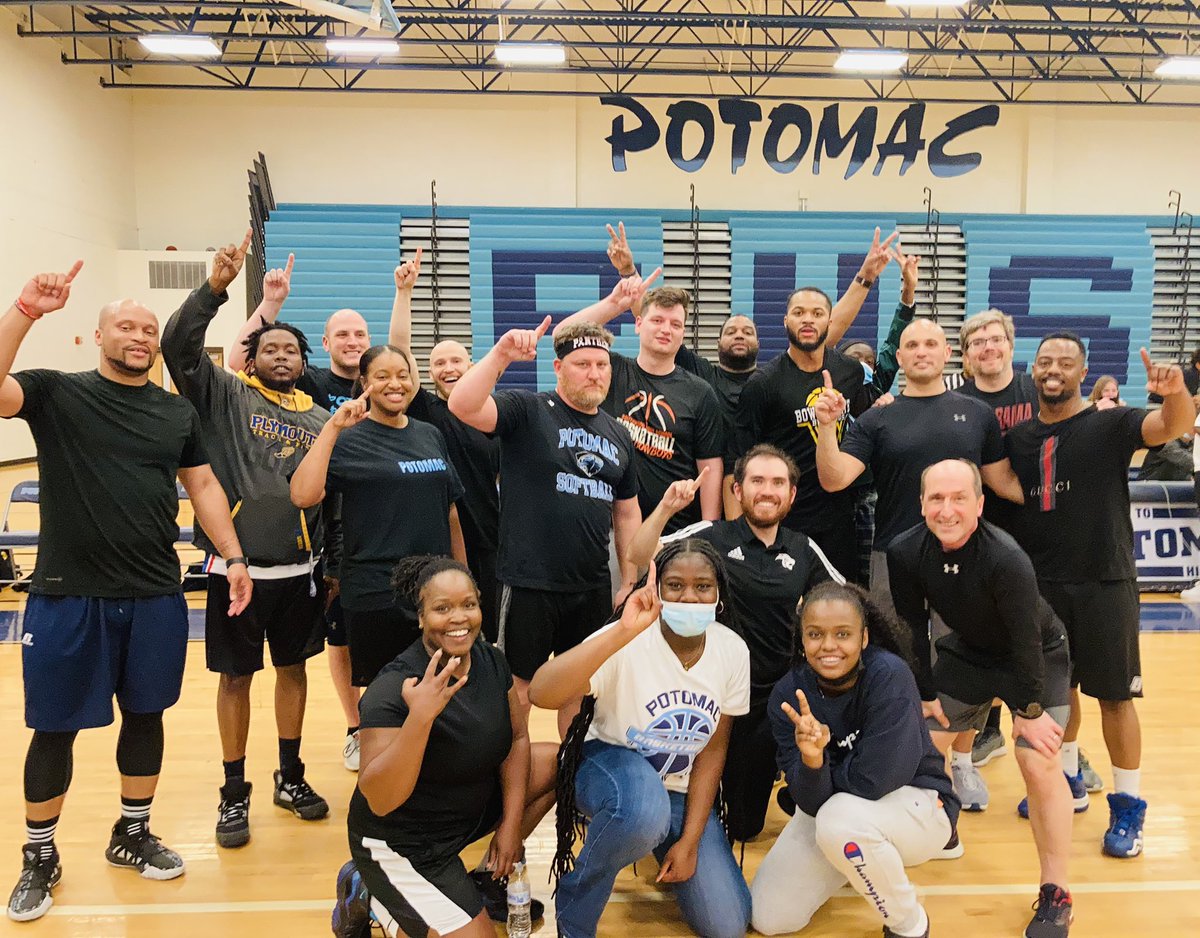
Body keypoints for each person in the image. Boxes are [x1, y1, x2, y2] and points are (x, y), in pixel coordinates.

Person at [0, 262, 253, 921]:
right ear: (98, 335)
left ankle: (132, 833)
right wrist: (24, 310)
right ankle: (39, 855)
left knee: (147, 718)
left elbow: (201, 487)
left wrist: (233, 556)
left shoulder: (176, 412)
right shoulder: (57, 393)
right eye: (126, 326)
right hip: (67, 595)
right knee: (54, 729)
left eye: (148, 328)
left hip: (153, 596)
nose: (140, 336)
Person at [161, 231, 332, 849]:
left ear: (301, 360)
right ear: (250, 355)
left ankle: (291, 775)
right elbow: (177, 347)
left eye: (291, 349)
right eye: (270, 347)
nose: (281, 355)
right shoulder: (225, 395)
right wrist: (215, 288)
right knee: (235, 680)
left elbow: (330, 497)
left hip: (299, 571)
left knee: (293, 671)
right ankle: (234, 793)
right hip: (236, 570)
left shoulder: (318, 418)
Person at [1004, 335, 1196, 858]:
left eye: (1066, 363)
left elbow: (1172, 427)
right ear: (1032, 369)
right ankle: (1066, 780)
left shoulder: (1110, 423)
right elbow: (996, 482)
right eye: (1045, 362)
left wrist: (1175, 393)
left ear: (1083, 373)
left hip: (1105, 582)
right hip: (1042, 587)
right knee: (1055, 695)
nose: (1054, 370)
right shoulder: (1018, 438)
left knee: (1115, 697)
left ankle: (1129, 806)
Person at [888, 459, 1077, 937]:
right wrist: (926, 692)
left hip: (1035, 656)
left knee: (1037, 758)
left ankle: (1056, 892)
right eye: (936, 498)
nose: (946, 509)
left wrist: (1029, 712)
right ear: (921, 504)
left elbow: (1026, 641)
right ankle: (943, 828)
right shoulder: (906, 550)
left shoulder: (1006, 556)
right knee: (925, 741)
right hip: (971, 653)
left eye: (958, 499)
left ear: (979, 504)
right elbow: (913, 626)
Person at [529, 541, 752, 938]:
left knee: (727, 925)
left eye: (703, 586)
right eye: (675, 585)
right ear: (657, 590)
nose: (689, 595)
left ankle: (648, 835)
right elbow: (541, 693)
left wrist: (689, 841)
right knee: (642, 814)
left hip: (678, 793)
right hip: (608, 763)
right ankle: (576, 904)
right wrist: (620, 633)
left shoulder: (732, 651)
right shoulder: (627, 639)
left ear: (719, 595)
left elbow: (713, 751)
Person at [626, 443, 843, 841]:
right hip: (708, 694)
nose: (767, 490)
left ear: (791, 495)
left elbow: (848, 604)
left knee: (743, 829)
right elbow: (640, 556)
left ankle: (791, 785)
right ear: (737, 491)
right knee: (684, 813)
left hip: (769, 701)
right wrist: (666, 509)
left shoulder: (802, 548)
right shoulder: (712, 537)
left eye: (778, 482)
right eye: (757, 480)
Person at [334, 555, 558, 938]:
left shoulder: (491, 661)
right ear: (420, 617)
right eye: (442, 608)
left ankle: (486, 881)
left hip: (463, 812)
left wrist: (509, 828)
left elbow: (518, 740)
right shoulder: (392, 689)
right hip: (403, 841)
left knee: (555, 761)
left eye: (468, 605)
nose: (459, 618)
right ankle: (369, 892)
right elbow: (381, 799)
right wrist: (420, 718)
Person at [447, 315, 642, 735]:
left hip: (589, 587)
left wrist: (629, 579)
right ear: (558, 368)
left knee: (576, 690)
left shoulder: (617, 434)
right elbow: (462, 405)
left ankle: (567, 787)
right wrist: (500, 355)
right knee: (518, 689)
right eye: (582, 364)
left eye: (602, 365)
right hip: (529, 583)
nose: (594, 373)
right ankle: (511, 792)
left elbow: (627, 513)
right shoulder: (528, 409)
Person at [750, 582, 959, 938]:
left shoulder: (888, 675)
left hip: (919, 804)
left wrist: (820, 777)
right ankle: (851, 859)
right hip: (835, 813)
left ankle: (909, 923)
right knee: (769, 918)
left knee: (838, 820)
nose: (828, 646)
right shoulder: (788, 694)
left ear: (863, 638)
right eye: (815, 634)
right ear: (802, 639)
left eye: (842, 634)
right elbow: (809, 802)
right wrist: (813, 761)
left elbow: (876, 779)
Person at [227, 254, 370, 771]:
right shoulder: (301, 385)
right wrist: (270, 303)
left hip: (341, 536)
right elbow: (236, 359)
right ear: (327, 344)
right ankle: (351, 730)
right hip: (282, 544)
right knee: (324, 643)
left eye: (361, 334)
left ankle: (302, 767)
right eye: (342, 335)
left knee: (303, 661)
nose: (353, 342)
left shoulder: (379, 385)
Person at [728, 234, 909, 576]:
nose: (807, 319)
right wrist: (737, 537)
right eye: (798, 312)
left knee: (837, 610)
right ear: (785, 322)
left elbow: (876, 399)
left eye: (817, 313)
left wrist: (886, 404)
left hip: (840, 521)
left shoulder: (849, 370)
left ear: (828, 321)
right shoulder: (763, 384)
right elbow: (735, 464)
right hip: (781, 522)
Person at [290, 344, 468, 689]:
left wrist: (462, 575)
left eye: (403, 375)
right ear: (365, 382)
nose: (395, 384)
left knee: (442, 691)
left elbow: (451, 511)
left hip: (435, 589)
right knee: (384, 698)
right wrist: (331, 430)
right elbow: (302, 495)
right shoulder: (348, 439)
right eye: (383, 376)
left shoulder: (429, 434)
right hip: (376, 592)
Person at [387, 251, 502, 645]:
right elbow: (399, 352)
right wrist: (405, 293)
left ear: (471, 366)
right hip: (444, 539)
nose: (448, 368)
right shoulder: (428, 410)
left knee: (490, 639)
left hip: (492, 541)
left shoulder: (495, 415)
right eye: (438, 363)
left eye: (456, 360)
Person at [554, 271, 727, 534]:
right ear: (638, 324)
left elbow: (710, 468)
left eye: (675, 324)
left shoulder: (700, 392)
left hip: (674, 532)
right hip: (607, 527)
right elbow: (563, 336)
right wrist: (616, 304)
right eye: (657, 320)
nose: (666, 329)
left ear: (683, 333)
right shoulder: (610, 370)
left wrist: (709, 530)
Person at [953, 308, 1040, 770]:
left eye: (995, 339)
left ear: (1010, 344)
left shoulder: (1035, 390)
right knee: (982, 628)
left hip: (1035, 526)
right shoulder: (959, 399)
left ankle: (1048, 729)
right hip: (979, 531)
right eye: (977, 342)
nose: (988, 347)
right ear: (966, 356)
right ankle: (985, 729)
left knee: (1033, 630)